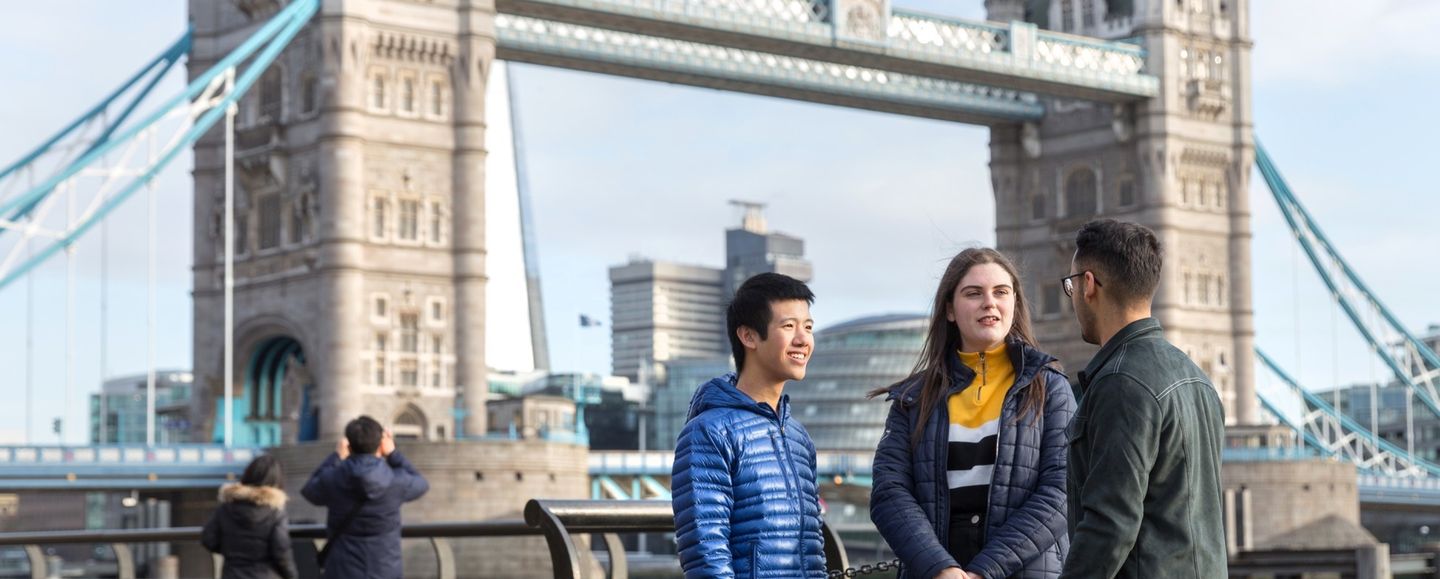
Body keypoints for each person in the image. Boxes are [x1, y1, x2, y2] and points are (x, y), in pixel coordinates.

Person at [869, 248, 1076, 579]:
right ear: (950, 309)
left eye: (1001, 292)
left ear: (1014, 305)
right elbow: (889, 492)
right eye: (973, 293)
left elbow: (1061, 493)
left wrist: (985, 571)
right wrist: (941, 568)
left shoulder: (1051, 389)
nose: (989, 302)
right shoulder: (913, 399)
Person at [1059, 219, 1226, 578]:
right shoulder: (1197, 379)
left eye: (1070, 285)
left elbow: (1110, 524)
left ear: (1088, 285)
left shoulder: (1119, 383)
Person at [671, 272, 826, 578]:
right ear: (748, 336)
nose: (803, 339)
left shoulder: (798, 437)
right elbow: (706, 553)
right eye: (788, 326)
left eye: (808, 327)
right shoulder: (708, 433)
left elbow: (814, 548)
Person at [302, 415, 430, 579]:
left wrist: (335, 457)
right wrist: (392, 453)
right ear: (380, 444)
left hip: (342, 571)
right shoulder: (395, 481)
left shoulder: (333, 479)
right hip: (385, 571)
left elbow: (310, 490)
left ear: (348, 445)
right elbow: (421, 483)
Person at [202, 454, 299, 579]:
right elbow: (281, 551)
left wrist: (231, 553)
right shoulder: (275, 512)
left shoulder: (226, 508)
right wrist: (292, 575)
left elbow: (208, 539)